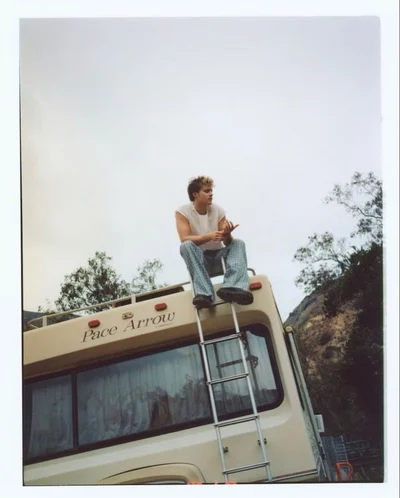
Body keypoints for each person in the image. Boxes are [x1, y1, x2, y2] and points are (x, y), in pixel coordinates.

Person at [175, 176, 253, 309]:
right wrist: (209, 236)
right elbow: (184, 238)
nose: (211, 194)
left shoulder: (219, 210)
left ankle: (233, 286)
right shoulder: (182, 212)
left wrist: (227, 234)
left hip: (219, 256)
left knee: (238, 243)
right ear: (195, 194)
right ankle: (205, 294)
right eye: (207, 191)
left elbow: (227, 242)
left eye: (211, 191)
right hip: (200, 259)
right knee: (185, 246)